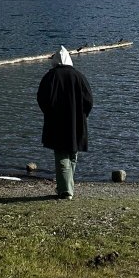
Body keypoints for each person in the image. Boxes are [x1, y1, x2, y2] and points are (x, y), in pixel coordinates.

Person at [36, 45, 94, 199]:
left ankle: (66, 190)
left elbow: (42, 99)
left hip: (56, 121)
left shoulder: (50, 76)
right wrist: (83, 115)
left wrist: (49, 113)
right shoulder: (79, 76)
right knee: (72, 153)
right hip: (76, 120)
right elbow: (89, 99)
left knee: (61, 154)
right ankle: (67, 186)